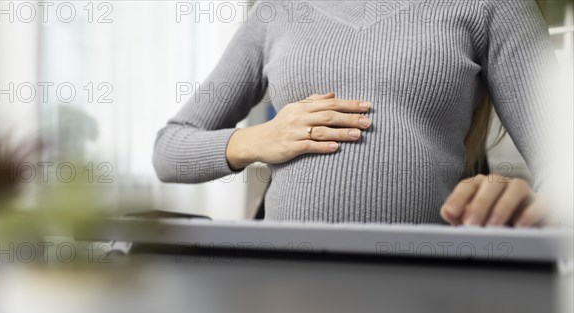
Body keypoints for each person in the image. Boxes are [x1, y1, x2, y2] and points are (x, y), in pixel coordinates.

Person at [153, 0, 560, 226]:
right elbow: (169, 150)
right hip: (283, 287)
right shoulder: (276, 11)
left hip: (425, 292)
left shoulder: (493, 6)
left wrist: (536, 205)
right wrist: (258, 139)